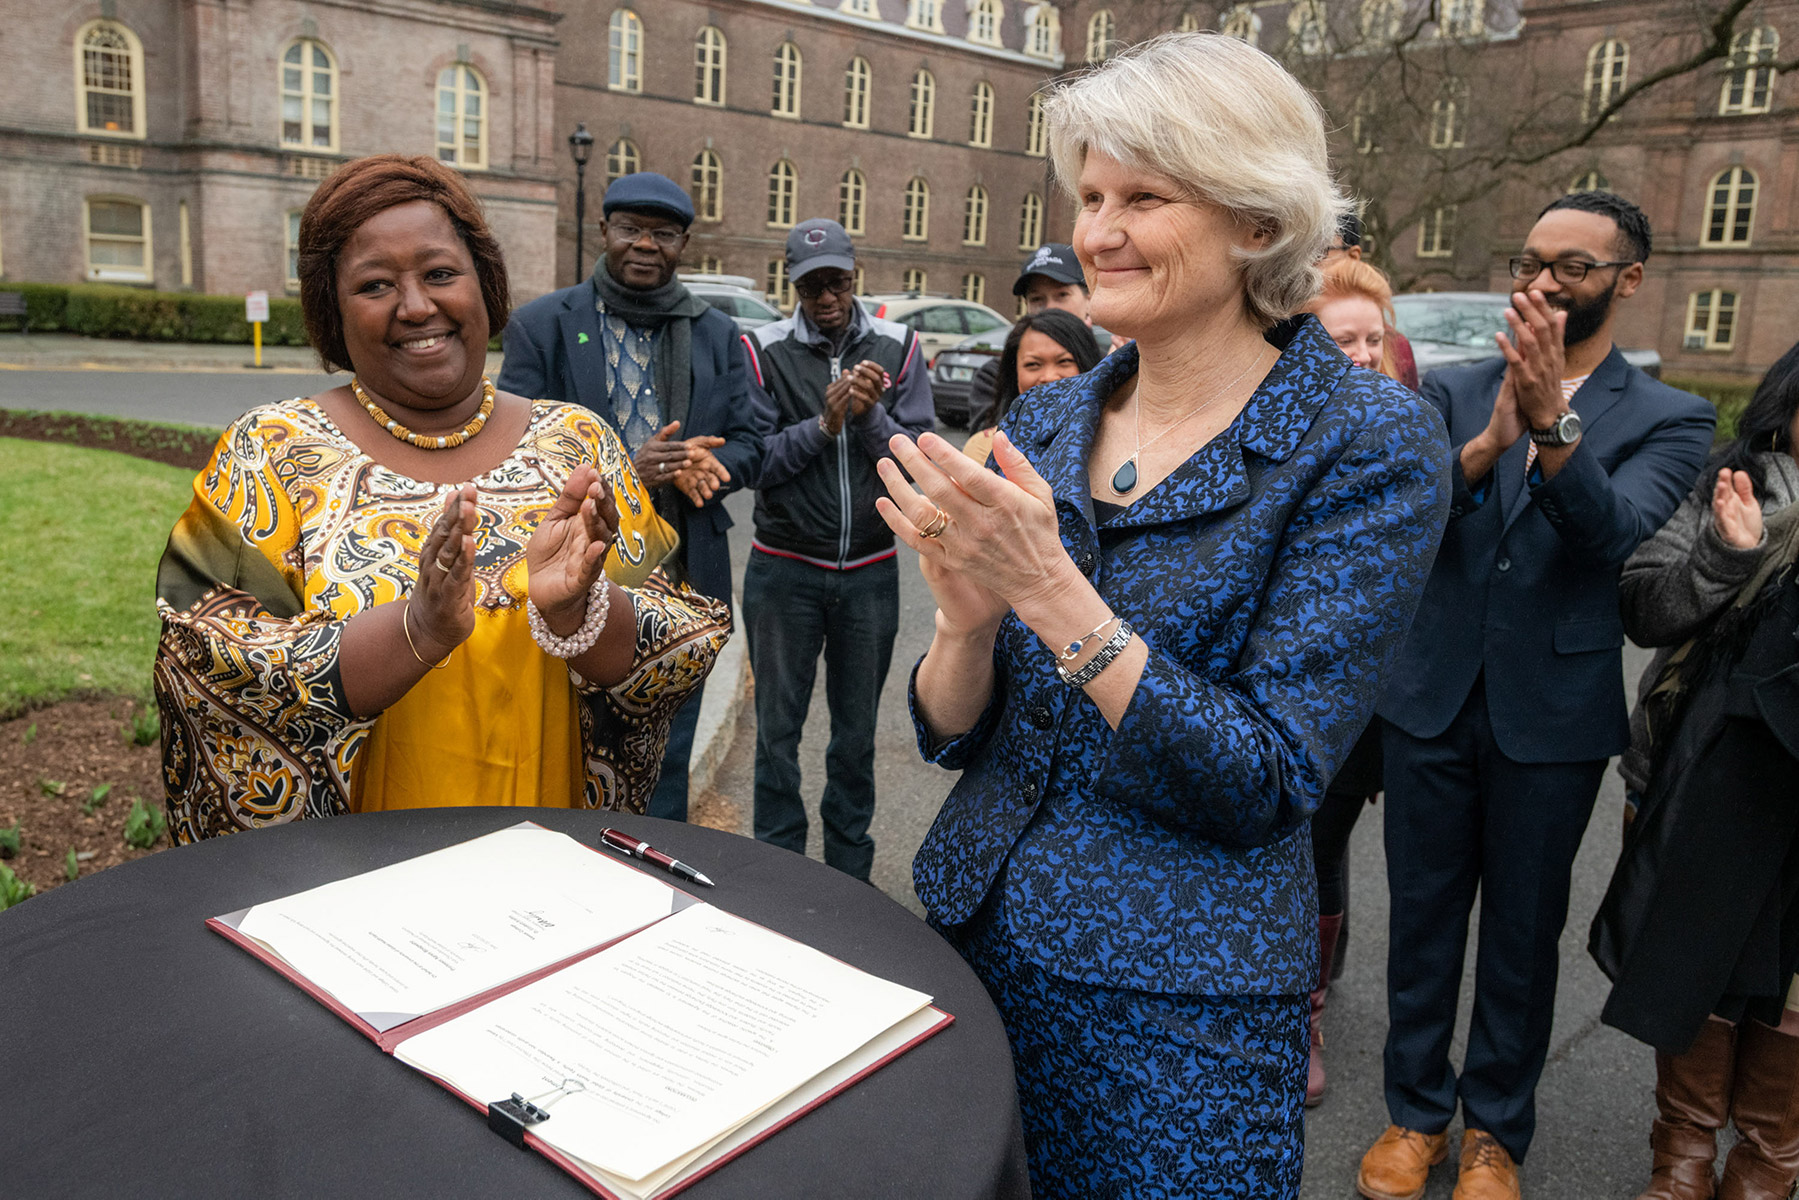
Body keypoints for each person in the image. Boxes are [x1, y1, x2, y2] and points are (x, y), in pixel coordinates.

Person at [879, 34, 1450, 1198]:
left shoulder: (1365, 441)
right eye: (1089, 194)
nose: (1095, 230)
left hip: (1174, 1008)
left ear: (1255, 218)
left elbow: (1267, 779)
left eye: (1143, 195)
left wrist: (1048, 591)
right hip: (972, 941)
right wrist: (965, 625)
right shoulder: (1046, 422)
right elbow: (951, 735)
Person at [153, 155, 728, 841]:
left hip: (556, 865)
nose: (417, 305)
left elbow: (676, 649)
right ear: (332, 312)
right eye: (374, 285)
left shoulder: (578, 443)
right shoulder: (271, 450)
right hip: (352, 884)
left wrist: (578, 613)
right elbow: (200, 666)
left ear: (483, 285)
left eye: (440, 274)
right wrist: (416, 631)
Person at [1363, 190, 1716, 1200]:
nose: (1543, 280)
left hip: (1549, 719)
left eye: (1570, 264)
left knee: (1519, 934)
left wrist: (1552, 422)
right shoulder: (1444, 387)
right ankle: (1411, 1116)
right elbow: (1404, 525)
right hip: (1427, 700)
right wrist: (1488, 437)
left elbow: (1618, 542)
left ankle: (1494, 1136)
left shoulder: (1672, 418)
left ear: (1627, 281)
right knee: (1421, 922)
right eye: (1529, 261)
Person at [1589, 342, 1799, 1200]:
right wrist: (1728, 552)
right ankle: (1680, 1158)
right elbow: (1644, 607)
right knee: (1693, 958)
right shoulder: (1735, 481)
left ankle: (1766, 1165)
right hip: (1702, 778)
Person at [499, 172, 766, 822]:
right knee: (575, 741)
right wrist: (626, 475)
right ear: (604, 232)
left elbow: (754, 441)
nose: (645, 244)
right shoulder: (544, 326)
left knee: (671, 748)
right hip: (576, 580)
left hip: (685, 579)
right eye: (631, 229)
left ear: (683, 244)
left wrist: (707, 461)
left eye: (663, 233)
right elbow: (513, 460)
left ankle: (663, 869)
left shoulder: (717, 333)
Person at [739, 218, 934, 880]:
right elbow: (756, 463)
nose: (826, 299)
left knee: (854, 738)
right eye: (812, 286)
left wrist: (869, 414)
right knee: (776, 734)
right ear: (791, 285)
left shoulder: (899, 347)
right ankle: (776, 873)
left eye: (838, 283)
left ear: (855, 279)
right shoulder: (760, 349)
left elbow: (918, 467)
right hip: (785, 571)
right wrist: (824, 423)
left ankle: (849, 878)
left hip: (870, 574)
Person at [1298, 253, 1414, 1108]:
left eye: (1376, 338)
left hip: (1367, 696)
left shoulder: (1397, 433)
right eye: (1347, 339)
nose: (1366, 353)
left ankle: (1307, 1012)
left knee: (1323, 844)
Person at [965, 244, 1115, 432]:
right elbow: (985, 442)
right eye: (1037, 299)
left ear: (1089, 299)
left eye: (1061, 295)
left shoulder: (1111, 365)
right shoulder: (995, 375)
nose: (1050, 308)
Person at [962, 308, 1102, 464]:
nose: (1049, 377)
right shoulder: (985, 447)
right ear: (1015, 374)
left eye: (1064, 362)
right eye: (1033, 364)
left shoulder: (1118, 441)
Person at [1325, 212, 1419, 390]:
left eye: (1319, 252)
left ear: (1353, 255)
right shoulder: (1269, 339)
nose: (1365, 355)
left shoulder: (1396, 349)